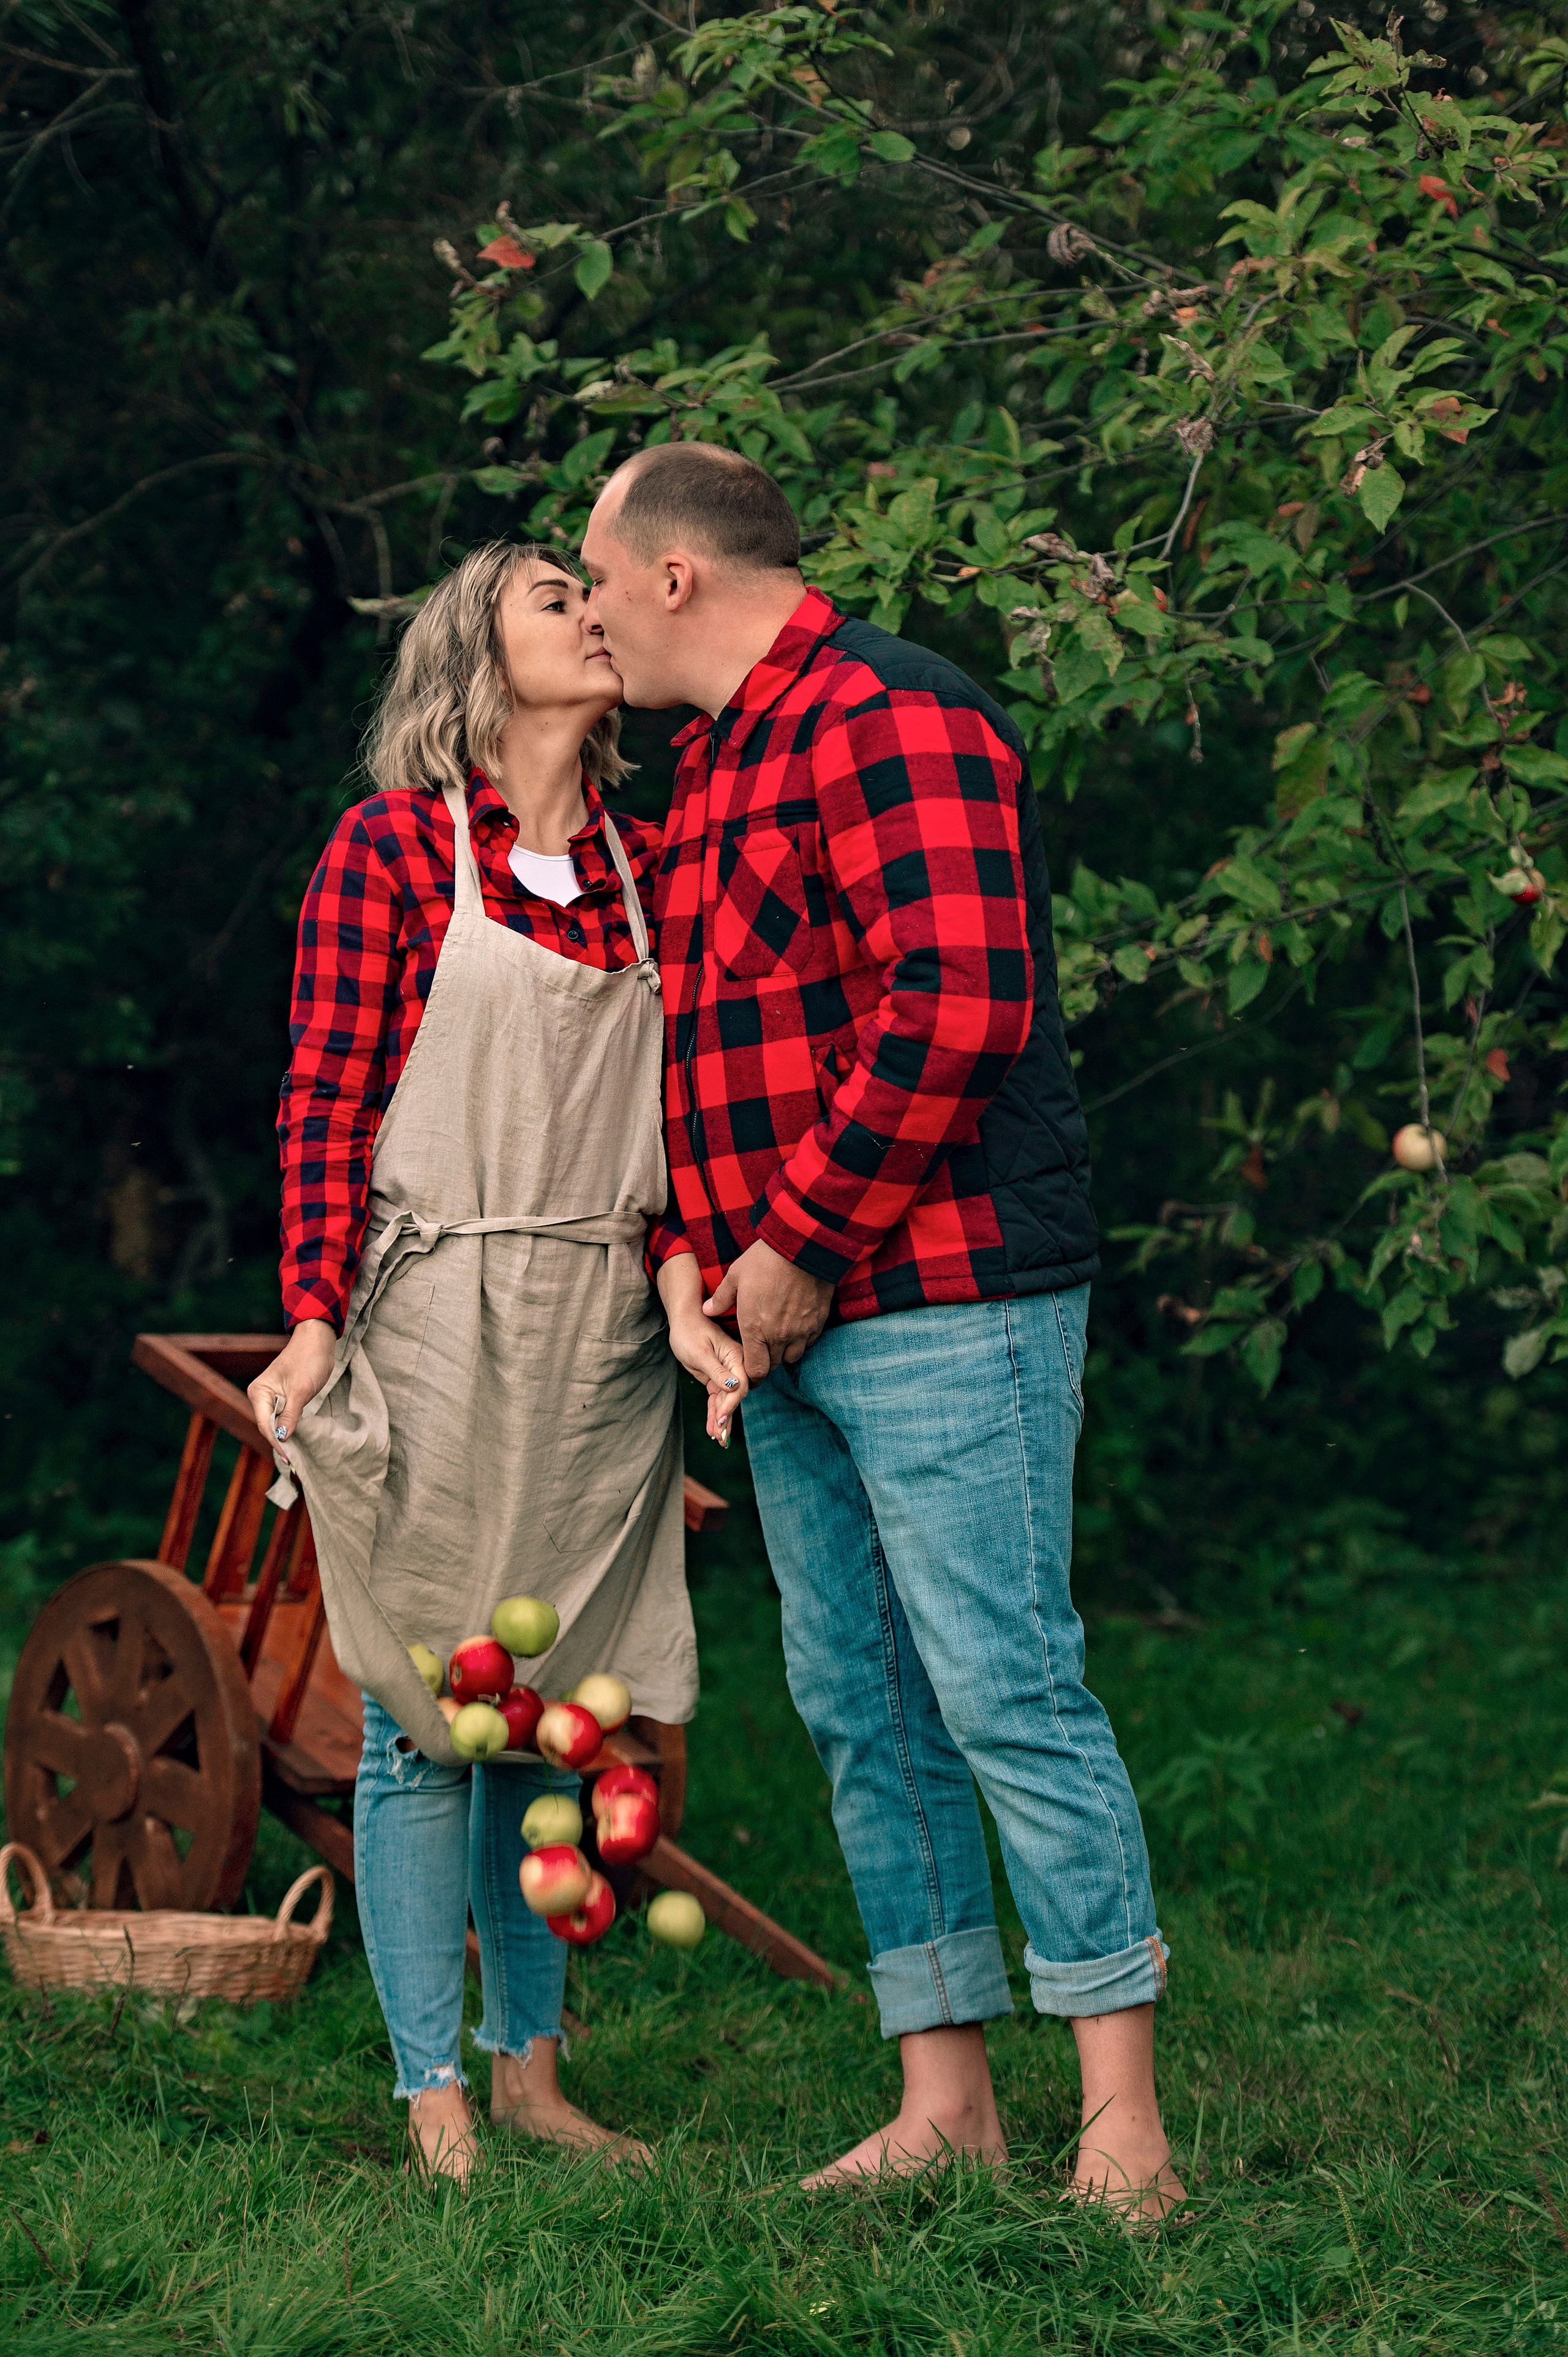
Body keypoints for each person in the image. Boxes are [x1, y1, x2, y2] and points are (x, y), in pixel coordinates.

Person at [581, 445, 1184, 2217]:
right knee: (862, 1705)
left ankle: (1124, 2122)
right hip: (777, 1317)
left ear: (677, 573)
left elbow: (963, 996)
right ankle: (948, 2101)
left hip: (950, 1292)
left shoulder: (890, 712)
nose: (594, 610)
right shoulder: (712, 769)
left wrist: (801, 1239)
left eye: (600, 576)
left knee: (1006, 1683)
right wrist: (698, 1262)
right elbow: (714, 1060)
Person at [247, 542, 745, 2181]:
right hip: (438, 1314)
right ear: (477, 654)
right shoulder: (391, 851)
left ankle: (531, 2076)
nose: (592, 617)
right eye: (555, 598)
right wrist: (314, 1316)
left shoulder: (648, 866)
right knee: (424, 1719)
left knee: (551, 1721)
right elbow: (325, 1101)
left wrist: (685, 1290)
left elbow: (680, 1134)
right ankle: (432, 2091)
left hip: (602, 1336)